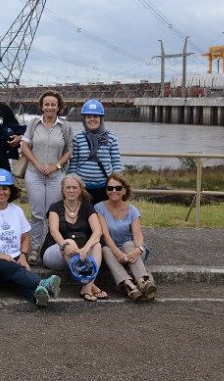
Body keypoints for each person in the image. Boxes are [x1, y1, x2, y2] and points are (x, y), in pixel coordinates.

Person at [0, 169, 61, 307]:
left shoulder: (17, 211)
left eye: (5, 188)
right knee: (15, 270)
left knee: (16, 277)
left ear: (10, 190)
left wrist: (23, 255)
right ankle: (42, 283)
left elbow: (25, 237)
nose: (1, 192)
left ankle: (37, 297)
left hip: (15, 258)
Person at [20, 90, 73, 264]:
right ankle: (35, 249)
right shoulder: (34, 123)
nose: (49, 107)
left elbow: (69, 151)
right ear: (42, 106)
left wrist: (55, 166)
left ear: (59, 107)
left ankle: (49, 247)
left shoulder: (65, 126)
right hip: (34, 174)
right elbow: (25, 146)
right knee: (36, 213)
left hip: (56, 176)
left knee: (52, 214)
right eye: (46, 104)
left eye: (53, 104)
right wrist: (37, 164)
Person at [41, 174, 106, 301]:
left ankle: (87, 287)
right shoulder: (55, 207)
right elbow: (54, 232)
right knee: (69, 241)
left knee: (97, 245)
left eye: (75, 188)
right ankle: (91, 285)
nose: (71, 190)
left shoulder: (87, 207)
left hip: (81, 256)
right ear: (63, 190)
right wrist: (65, 245)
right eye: (68, 187)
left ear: (81, 189)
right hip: (55, 254)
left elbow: (97, 231)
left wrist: (86, 248)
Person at [95, 173, 157, 302]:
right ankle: (128, 285)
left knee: (129, 244)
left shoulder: (132, 210)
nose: (113, 191)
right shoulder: (99, 208)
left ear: (124, 190)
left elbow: (138, 234)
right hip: (112, 253)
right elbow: (105, 234)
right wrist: (118, 253)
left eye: (118, 188)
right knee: (105, 249)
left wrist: (138, 249)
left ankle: (142, 282)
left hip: (132, 251)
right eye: (110, 188)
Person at [69, 99, 122, 204]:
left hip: (104, 188)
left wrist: (115, 183)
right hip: (82, 188)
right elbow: (73, 164)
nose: (92, 119)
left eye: (95, 116)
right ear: (84, 119)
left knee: (101, 217)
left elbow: (116, 163)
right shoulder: (78, 138)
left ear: (101, 118)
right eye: (88, 116)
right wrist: (75, 184)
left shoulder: (111, 138)